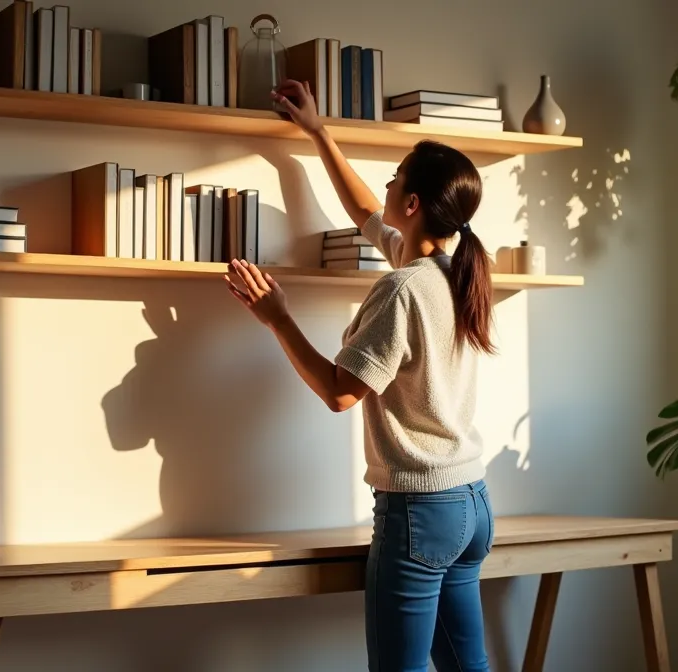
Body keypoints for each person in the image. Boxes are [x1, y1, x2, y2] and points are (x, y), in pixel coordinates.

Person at [222, 79, 496, 672]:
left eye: (396, 179)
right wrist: (317, 132)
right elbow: (364, 211)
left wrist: (278, 318)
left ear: (414, 204)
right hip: (471, 502)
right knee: (467, 667)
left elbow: (340, 392)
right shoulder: (454, 274)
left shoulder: (402, 288)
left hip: (420, 509)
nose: (388, 186)